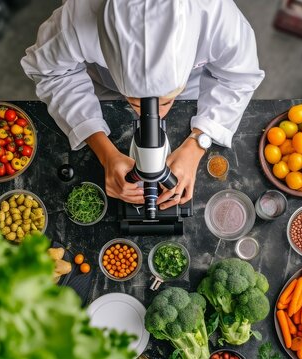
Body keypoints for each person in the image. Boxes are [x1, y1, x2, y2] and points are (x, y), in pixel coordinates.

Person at [21, 0, 264, 209]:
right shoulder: (79, 15)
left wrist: (197, 143)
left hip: (189, 85)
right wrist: (105, 152)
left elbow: (238, 78)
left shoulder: (217, 15)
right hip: (106, 83)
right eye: (137, 101)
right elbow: (51, 73)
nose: (154, 113)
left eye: (165, 101)